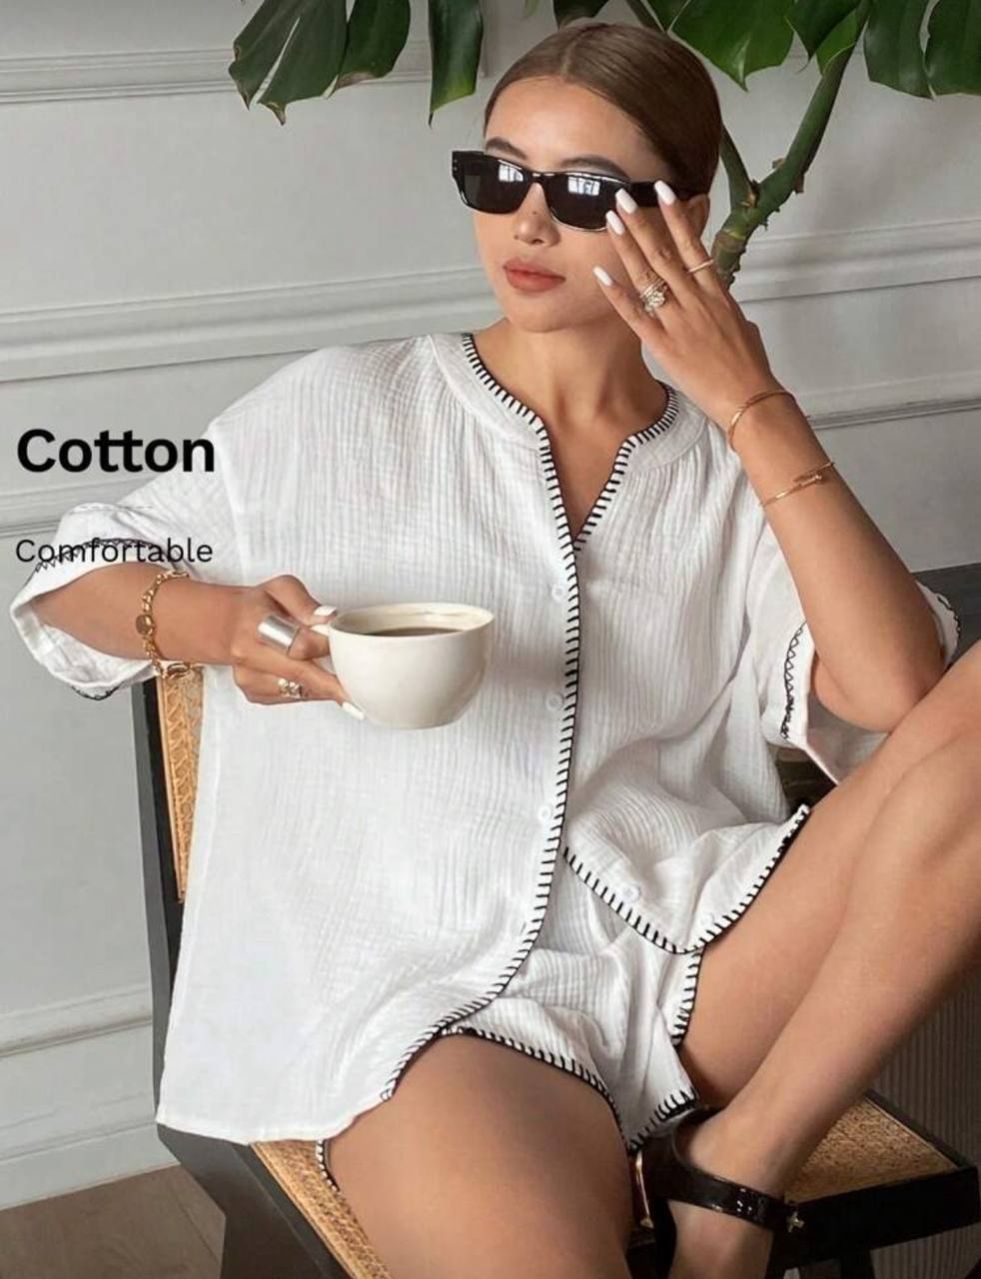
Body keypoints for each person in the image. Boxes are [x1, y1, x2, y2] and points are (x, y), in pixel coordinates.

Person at [9, 20, 981, 1279]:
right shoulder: (336, 407)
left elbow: (902, 698)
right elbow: (68, 574)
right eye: (497, 175)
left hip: (700, 964)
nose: (527, 221)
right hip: (424, 1010)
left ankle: (740, 1162)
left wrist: (749, 400)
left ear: (685, 217)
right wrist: (219, 622)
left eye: (584, 191)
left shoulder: (728, 470)